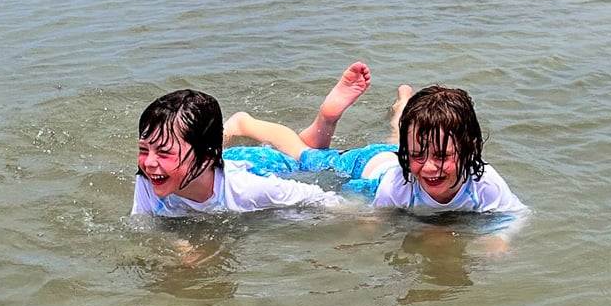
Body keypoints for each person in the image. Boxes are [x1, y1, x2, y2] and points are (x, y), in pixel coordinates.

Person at [224, 68, 526, 218]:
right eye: (420, 155)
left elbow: (516, 217)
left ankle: (404, 105)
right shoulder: (394, 188)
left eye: (443, 156)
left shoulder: (484, 182)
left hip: (397, 157)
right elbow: (364, 209)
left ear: (470, 149)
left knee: (401, 140)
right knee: (306, 153)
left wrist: (496, 240)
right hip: (367, 165)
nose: (431, 168)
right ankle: (245, 122)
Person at [132, 88, 344, 216]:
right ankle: (234, 126)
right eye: (144, 149)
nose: (149, 162)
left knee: (308, 157)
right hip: (209, 162)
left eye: (163, 152)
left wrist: (358, 217)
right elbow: (143, 223)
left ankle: (324, 121)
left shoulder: (251, 189)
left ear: (206, 158)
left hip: (261, 163)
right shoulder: (149, 178)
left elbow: (319, 198)